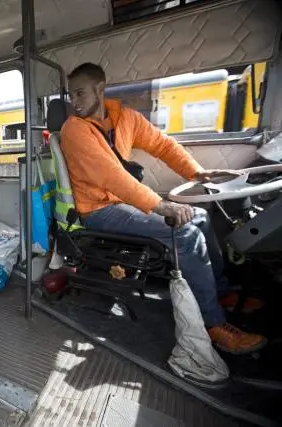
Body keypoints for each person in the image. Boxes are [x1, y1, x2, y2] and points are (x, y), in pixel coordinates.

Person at [60, 62, 266, 355]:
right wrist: (161, 206)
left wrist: (196, 173)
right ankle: (214, 325)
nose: (74, 103)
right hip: (98, 210)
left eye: (80, 94)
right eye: (71, 96)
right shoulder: (73, 130)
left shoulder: (125, 118)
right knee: (186, 235)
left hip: (123, 202)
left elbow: (163, 145)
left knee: (202, 218)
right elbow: (112, 177)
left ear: (100, 90)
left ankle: (221, 293)